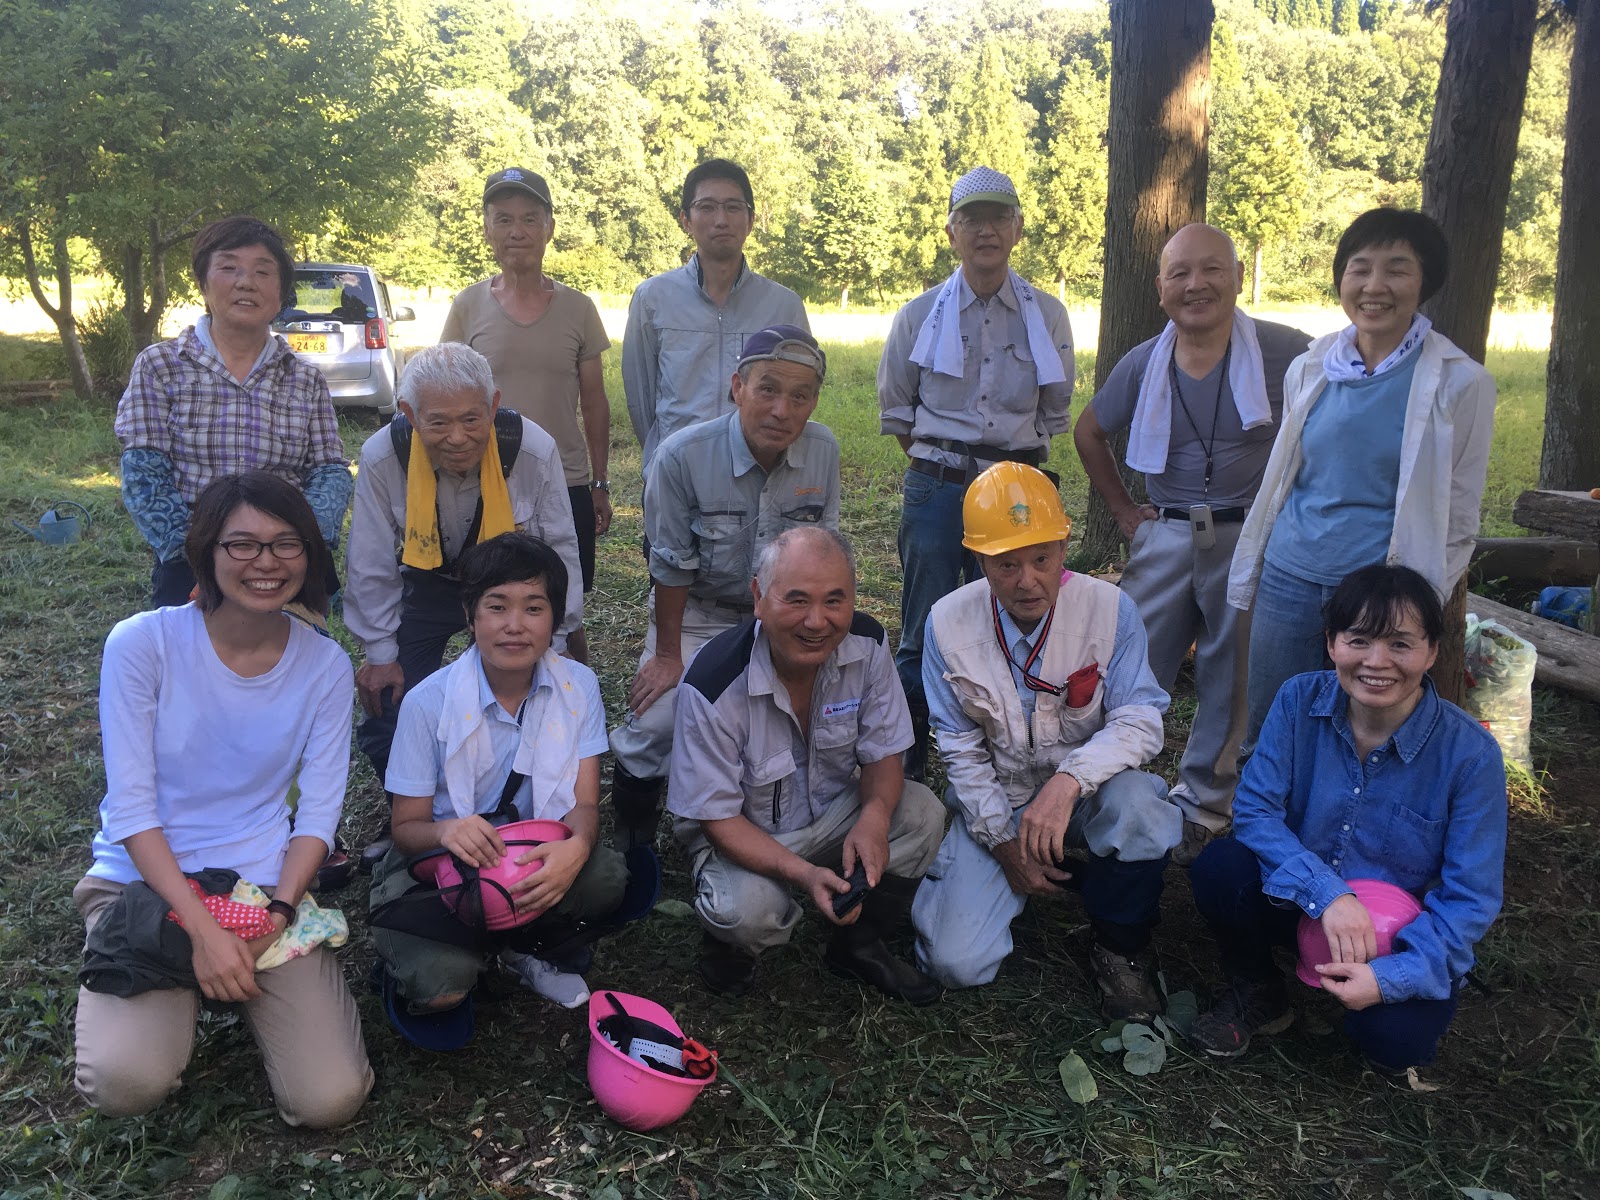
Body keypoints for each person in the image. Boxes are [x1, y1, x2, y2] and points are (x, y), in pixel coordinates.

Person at [73, 472, 371, 1127]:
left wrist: (284, 907)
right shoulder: (142, 644)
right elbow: (131, 809)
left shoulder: (325, 666)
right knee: (125, 1085)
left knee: (329, 1099)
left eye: (286, 543)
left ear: (310, 555)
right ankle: (168, 967)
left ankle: (224, 975)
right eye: (242, 544)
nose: (265, 563)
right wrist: (204, 934)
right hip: (145, 886)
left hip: (259, 890)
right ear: (206, 552)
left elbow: (318, 814)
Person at [1188, 564, 1506, 1072]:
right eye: (1358, 640)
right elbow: (1255, 811)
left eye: (1400, 644)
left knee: (1395, 1045)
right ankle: (1260, 988)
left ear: (1433, 652)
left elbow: (1471, 897)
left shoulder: (1471, 756)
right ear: (1332, 643)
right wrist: (1328, 894)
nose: (1377, 662)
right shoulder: (1298, 700)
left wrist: (1391, 978)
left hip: (1398, 934)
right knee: (1220, 870)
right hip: (1300, 902)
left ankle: (1373, 992)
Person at [1075, 224, 1311, 865]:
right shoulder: (1143, 362)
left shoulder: (1286, 352)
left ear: (1237, 277)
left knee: (1229, 672)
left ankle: (1206, 801)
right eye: (1180, 273)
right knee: (1129, 661)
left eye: (1211, 270)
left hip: (1247, 533)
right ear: (1160, 289)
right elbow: (1089, 431)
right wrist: (1124, 510)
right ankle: (1108, 783)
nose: (1196, 284)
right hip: (1169, 531)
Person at [911, 464, 1182, 1021]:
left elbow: (1142, 719)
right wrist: (1003, 844)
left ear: (1063, 547)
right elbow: (959, 751)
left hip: (1085, 795)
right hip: (1002, 797)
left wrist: (1069, 782)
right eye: (1006, 563)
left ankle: (1119, 946)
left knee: (1141, 809)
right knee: (955, 964)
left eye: (1041, 558)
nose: (1027, 580)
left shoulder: (1111, 610)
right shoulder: (945, 624)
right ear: (980, 561)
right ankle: (1031, 872)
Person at [1228, 208, 1497, 748]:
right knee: (1275, 721)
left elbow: (1461, 511)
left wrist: (1419, 604)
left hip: (1382, 586)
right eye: (1360, 268)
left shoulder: (1459, 383)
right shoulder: (1314, 365)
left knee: (1365, 732)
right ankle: (1262, 827)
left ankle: (1346, 830)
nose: (1375, 286)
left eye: (1397, 269)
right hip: (1291, 573)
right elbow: (1288, 476)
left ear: (1426, 281)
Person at [668, 527, 945, 1003]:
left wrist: (875, 818)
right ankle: (729, 946)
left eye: (835, 601)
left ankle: (858, 944)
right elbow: (717, 819)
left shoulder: (870, 644)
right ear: (758, 596)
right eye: (796, 600)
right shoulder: (712, 684)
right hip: (745, 833)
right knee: (746, 912)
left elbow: (884, 753)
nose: (817, 621)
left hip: (833, 811)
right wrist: (802, 873)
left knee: (922, 813)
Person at [369, 533, 628, 1020]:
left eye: (534, 608)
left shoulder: (580, 687)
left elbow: (585, 805)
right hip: (441, 858)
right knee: (441, 991)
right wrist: (448, 830)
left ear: (555, 617)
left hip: (528, 849)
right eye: (496, 607)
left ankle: (520, 943)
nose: (515, 626)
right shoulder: (429, 703)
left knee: (605, 877)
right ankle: (467, 945)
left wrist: (575, 848)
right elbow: (407, 831)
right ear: (470, 616)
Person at [345, 343, 583, 860]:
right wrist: (380, 654)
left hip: (509, 585)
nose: (458, 438)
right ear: (409, 415)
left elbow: (560, 547)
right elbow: (369, 561)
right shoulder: (384, 456)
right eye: (438, 423)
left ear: (494, 405)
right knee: (391, 701)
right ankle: (414, 818)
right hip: (426, 580)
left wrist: (557, 640)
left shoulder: (533, 450)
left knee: (545, 695)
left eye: (473, 419)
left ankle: (525, 807)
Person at [609, 326, 840, 852]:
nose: (783, 409)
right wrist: (669, 655)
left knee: (820, 710)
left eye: (800, 396)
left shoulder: (823, 450)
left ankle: (785, 812)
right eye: (767, 389)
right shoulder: (681, 456)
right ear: (737, 387)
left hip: (783, 613)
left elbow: (823, 549)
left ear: (814, 402)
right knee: (660, 720)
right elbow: (670, 565)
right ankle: (633, 825)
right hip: (699, 613)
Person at [878, 167, 1076, 779]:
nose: (985, 231)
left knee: (1013, 619)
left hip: (1018, 490)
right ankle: (906, 771)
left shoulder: (1048, 316)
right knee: (922, 628)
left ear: (1018, 228)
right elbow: (900, 413)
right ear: (951, 232)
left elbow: (1052, 412)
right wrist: (952, 466)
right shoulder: (917, 317)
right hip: (938, 486)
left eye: (997, 218)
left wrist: (999, 473)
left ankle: (1006, 766)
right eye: (971, 219)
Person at [116, 215, 352, 609]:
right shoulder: (160, 366)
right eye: (229, 268)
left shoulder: (305, 378)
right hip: (190, 560)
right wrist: (198, 554)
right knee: (190, 666)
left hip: (285, 564)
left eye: (263, 272)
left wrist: (293, 545)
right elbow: (143, 471)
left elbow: (329, 470)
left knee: (292, 664)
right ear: (204, 283)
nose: (246, 282)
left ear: (281, 293)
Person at [440, 169, 613, 662]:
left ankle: (578, 710)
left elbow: (595, 401)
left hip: (567, 480)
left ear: (549, 228)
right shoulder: (467, 306)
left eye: (530, 219)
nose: (517, 231)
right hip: (486, 479)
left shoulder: (579, 309)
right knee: (492, 605)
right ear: (488, 230)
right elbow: (444, 391)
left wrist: (598, 483)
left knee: (566, 604)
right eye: (504, 219)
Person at [623, 159, 809, 475]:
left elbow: (798, 395)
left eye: (733, 208)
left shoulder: (784, 305)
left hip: (758, 472)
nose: (721, 220)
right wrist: (663, 456)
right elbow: (641, 400)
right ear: (686, 219)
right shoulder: (652, 298)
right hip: (676, 471)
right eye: (706, 207)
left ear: (750, 219)